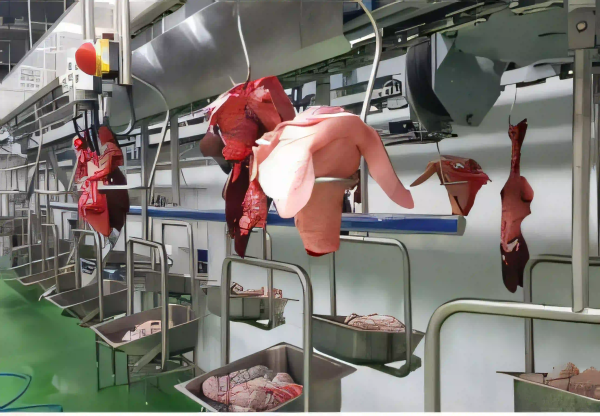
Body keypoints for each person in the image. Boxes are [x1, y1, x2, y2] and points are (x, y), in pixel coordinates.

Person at [76, 127, 130, 253]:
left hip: (107, 198)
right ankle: (105, 242)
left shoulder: (103, 149)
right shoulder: (99, 153)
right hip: (106, 198)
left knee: (107, 222)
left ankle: (105, 242)